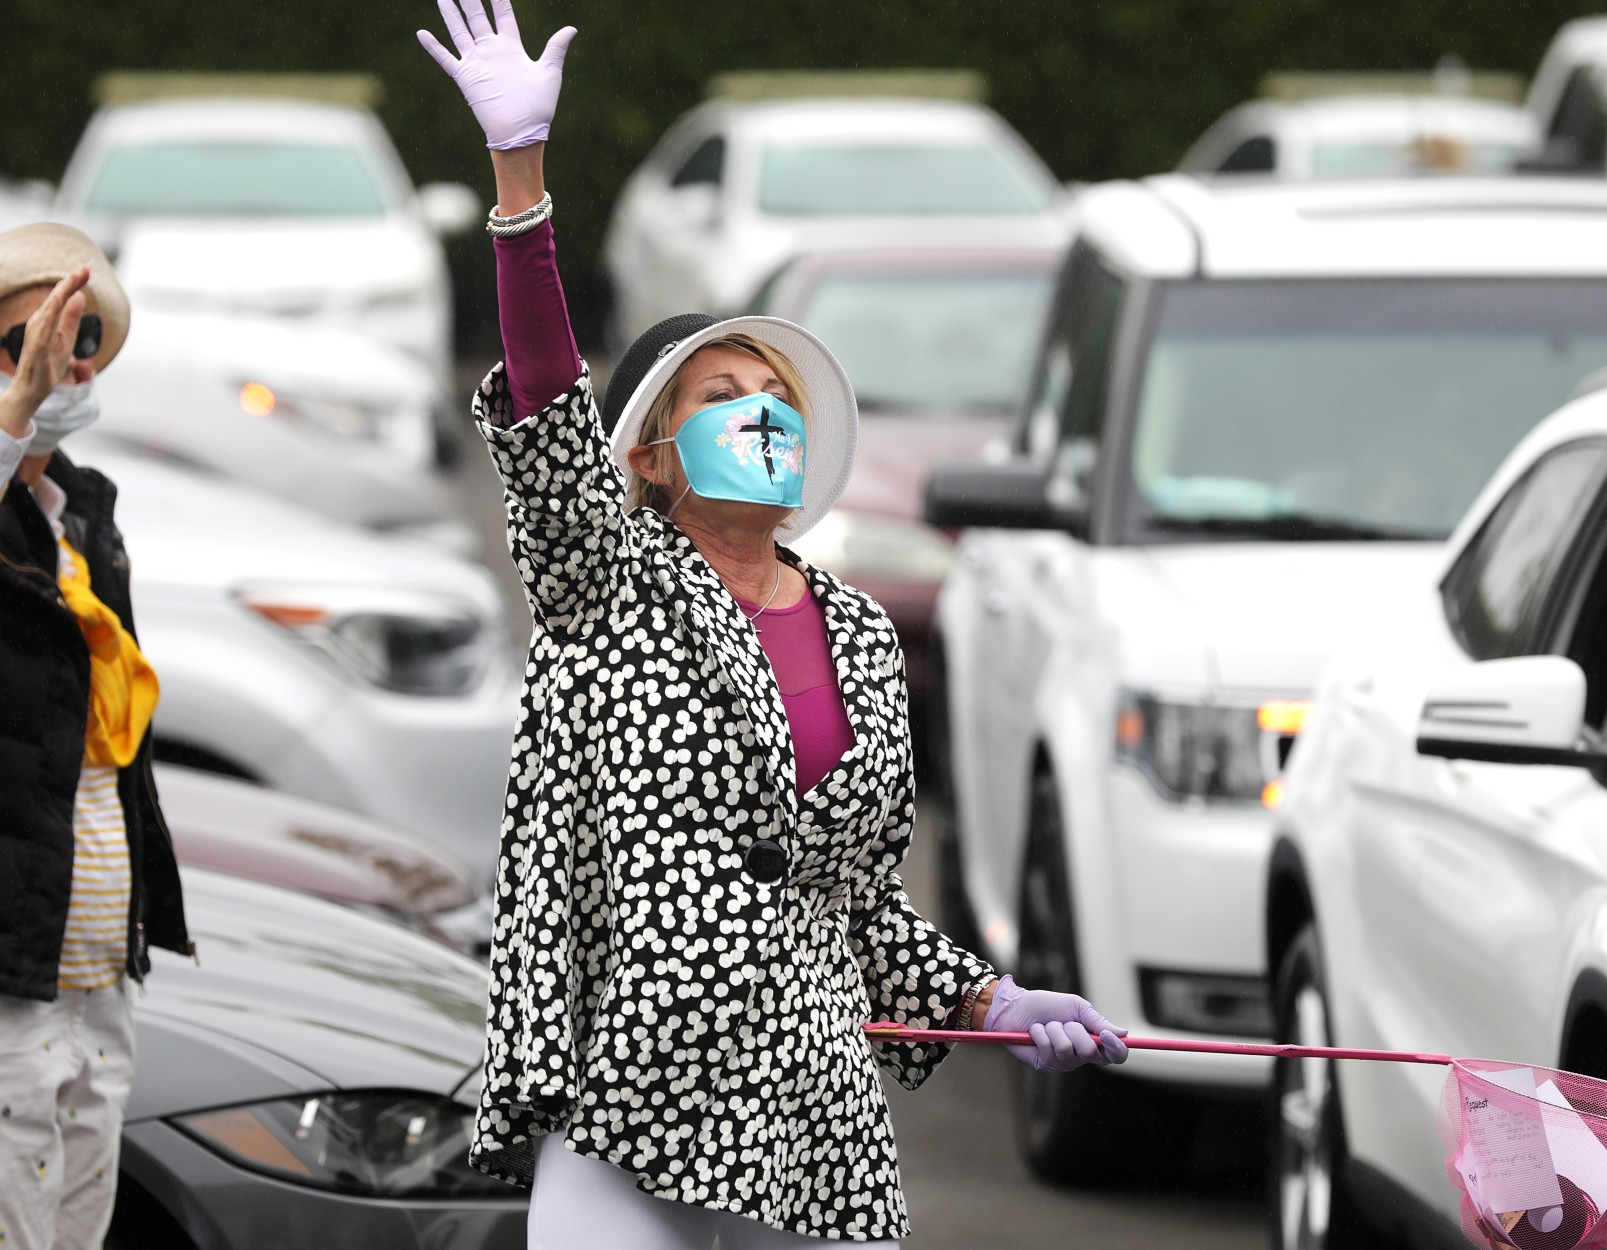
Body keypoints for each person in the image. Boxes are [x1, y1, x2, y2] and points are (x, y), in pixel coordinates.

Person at [417, 4, 1131, 1247]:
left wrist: (996, 1000)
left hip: (816, 1130)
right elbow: (538, 402)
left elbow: (853, 902)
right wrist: (520, 181)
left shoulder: (855, 629)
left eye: (776, 398)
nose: (763, 415)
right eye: (723, 395)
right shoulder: (608, 581)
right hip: (628, 1111)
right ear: (647, 450)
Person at [0, 224, 192, 1250]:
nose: (55, 364)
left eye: (77, 340)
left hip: (96, 965)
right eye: (23, 342)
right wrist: (12, 411)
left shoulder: (83, 513)